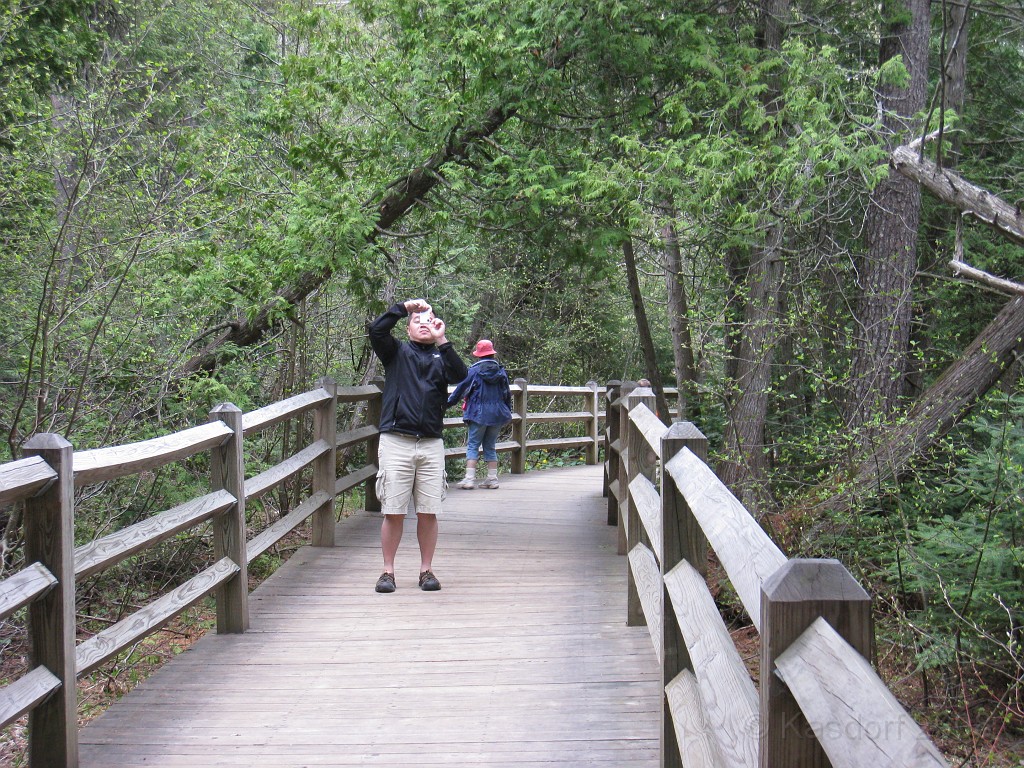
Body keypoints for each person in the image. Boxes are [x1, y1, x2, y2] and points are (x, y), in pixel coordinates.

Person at [366, 298, 468, 593]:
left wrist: (442, 340)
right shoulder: (396, 352)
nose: (423, 324)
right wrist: (404, 308)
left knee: (428, 510)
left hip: (430, 443)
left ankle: (426, 571)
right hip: (396, 440)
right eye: (417, 321)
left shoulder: (441, 357)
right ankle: (387, 572)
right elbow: (377, 331)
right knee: (393, 510)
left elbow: (461, 376)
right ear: (408, 328)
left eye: (429, 320)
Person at [447, 339, 513, 490]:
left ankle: (469, 479)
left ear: (478, 355)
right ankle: (492, 479)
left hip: (478, 413)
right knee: (490, 446)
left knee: (473, 445)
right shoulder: (501, 371)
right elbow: (506, 394)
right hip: (497, 413)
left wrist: (447, 403)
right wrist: (506, 411)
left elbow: (460, 389)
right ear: (492, 353)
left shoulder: (474, 371)